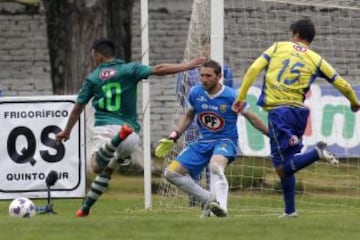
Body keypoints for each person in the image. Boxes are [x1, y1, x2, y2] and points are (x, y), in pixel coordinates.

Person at [55, 38, 206, 217]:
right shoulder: (129, 69)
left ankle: (115, 141)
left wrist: (67, 130)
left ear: (97, 55)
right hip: (131, 137)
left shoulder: (93, 78)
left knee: (96, 167)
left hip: (106, 131)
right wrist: (188, 65)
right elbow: (159, 69)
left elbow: (77, 108)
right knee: (109, 168)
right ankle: (85, 208)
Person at [231, 18, 360, 218]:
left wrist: (241, 98)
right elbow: (341, 83)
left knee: (282, 167)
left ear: (294, 34)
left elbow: (253, 70)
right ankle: (290, 211)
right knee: (288, 162)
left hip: (279, 113)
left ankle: (316, 153)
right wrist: (353, 102)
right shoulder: (316, 59)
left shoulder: (277, 48)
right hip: (299, 114)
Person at [155, 60, 268, 218]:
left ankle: (221, 209)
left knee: (215, 165)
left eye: (208, 76)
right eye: (202, 76)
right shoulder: (195, 92)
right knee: (171, 173)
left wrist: (270, 133)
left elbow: (252, 117)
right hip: (203, 141)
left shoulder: (232, 96)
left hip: (225, 141)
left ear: (219, 77)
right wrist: (174, 135)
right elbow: (189, 115)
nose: (204, 79)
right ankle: (208, 199)